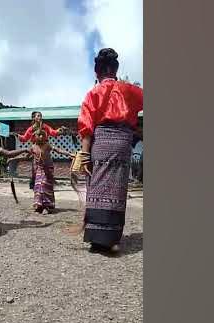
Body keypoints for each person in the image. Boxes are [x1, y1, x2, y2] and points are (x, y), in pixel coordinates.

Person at [74, 48, 143, 253]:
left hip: (101, 141)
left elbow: (86, 126)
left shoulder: (93, 93)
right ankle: (112, 237)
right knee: (118, 187)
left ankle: (97, 238)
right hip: (123, 142)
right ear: (115, 69)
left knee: (96, 183)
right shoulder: (129, 90)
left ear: (97, 73)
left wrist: (85, 155)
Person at [11, 111, 67, 189]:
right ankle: (34, 184)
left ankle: (48, 183)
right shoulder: (31, 129)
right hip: (36, 148)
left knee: (47, 166)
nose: (40, 117)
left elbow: (52, 132)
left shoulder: (45, 126)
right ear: (34, 118)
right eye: (38, 116)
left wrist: (60, 130)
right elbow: (24, 138)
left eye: (40, 116)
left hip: (45, 147)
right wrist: (17, 135)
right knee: (35, 168)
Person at [27, 129, 74, 214]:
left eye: (42, 135)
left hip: (48, 169)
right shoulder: (33, 147)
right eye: (39, 135)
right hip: (39, 169)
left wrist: (69, 154)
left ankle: (47, 206)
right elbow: (26, 156)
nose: (41, 137)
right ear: (35, 137)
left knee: (45, 185)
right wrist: (13, 158)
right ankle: (39, 206)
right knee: (38, 186)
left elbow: (58, 150)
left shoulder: (47, 145)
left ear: (45, 137)